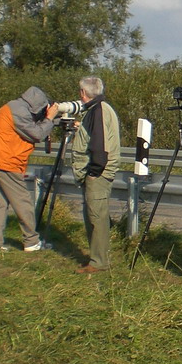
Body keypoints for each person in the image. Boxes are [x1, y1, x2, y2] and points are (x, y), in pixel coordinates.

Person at [0, 87, 58, 253]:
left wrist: (47, 120)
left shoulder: (14, 107)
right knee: (23, 202)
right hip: (6, 162)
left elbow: (30, 128)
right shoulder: (19, 112)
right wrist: (49, 118)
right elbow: (37, 134)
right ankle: (31, 241)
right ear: (37, 105)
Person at [71, 77, 121, 273]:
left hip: (98, 172)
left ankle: (98, 262)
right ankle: (96, 259)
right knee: (94, 215)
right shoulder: (98, 109)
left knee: (96, 217)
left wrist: (93, 172)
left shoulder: (98, 110)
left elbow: (100, 146)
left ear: (83, 93)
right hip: (98, 170)